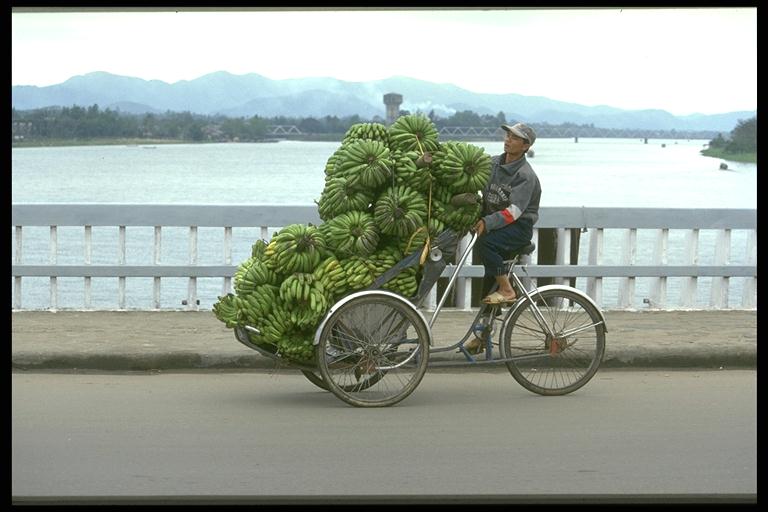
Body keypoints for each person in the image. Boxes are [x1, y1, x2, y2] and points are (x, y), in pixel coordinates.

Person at [467, 122, 541, 353]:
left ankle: (508, 289)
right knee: (488, 288)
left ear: (525, 146)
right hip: (498, 226)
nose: (508, 140)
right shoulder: (493, 164)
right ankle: (481, 337)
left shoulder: (525, 175)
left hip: (518, 227)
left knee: (487, 243)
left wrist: (487, 223)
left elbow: (514, 212)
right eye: (508, 135)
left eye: (515, 138)